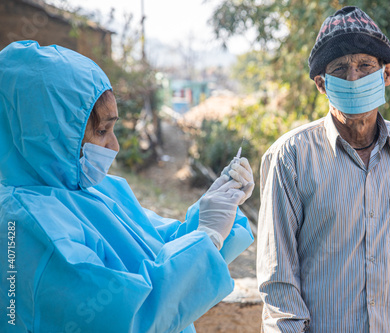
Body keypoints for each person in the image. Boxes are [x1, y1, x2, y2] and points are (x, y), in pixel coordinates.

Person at [0, 40, 255, 333]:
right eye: (101, 131)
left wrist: (215, 211)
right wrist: (207, 238)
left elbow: (157, 247)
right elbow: (127, 318)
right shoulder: (26, 227)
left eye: (113, 129)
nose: (115, 145)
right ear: (46, 134)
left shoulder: (96, 189)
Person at [257, 6, 390, 333]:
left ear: (386, 74)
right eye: (340, 69)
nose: (353, 77)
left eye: (365, 65)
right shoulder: (291, 157)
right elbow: (279, 281)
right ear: (322, 84)